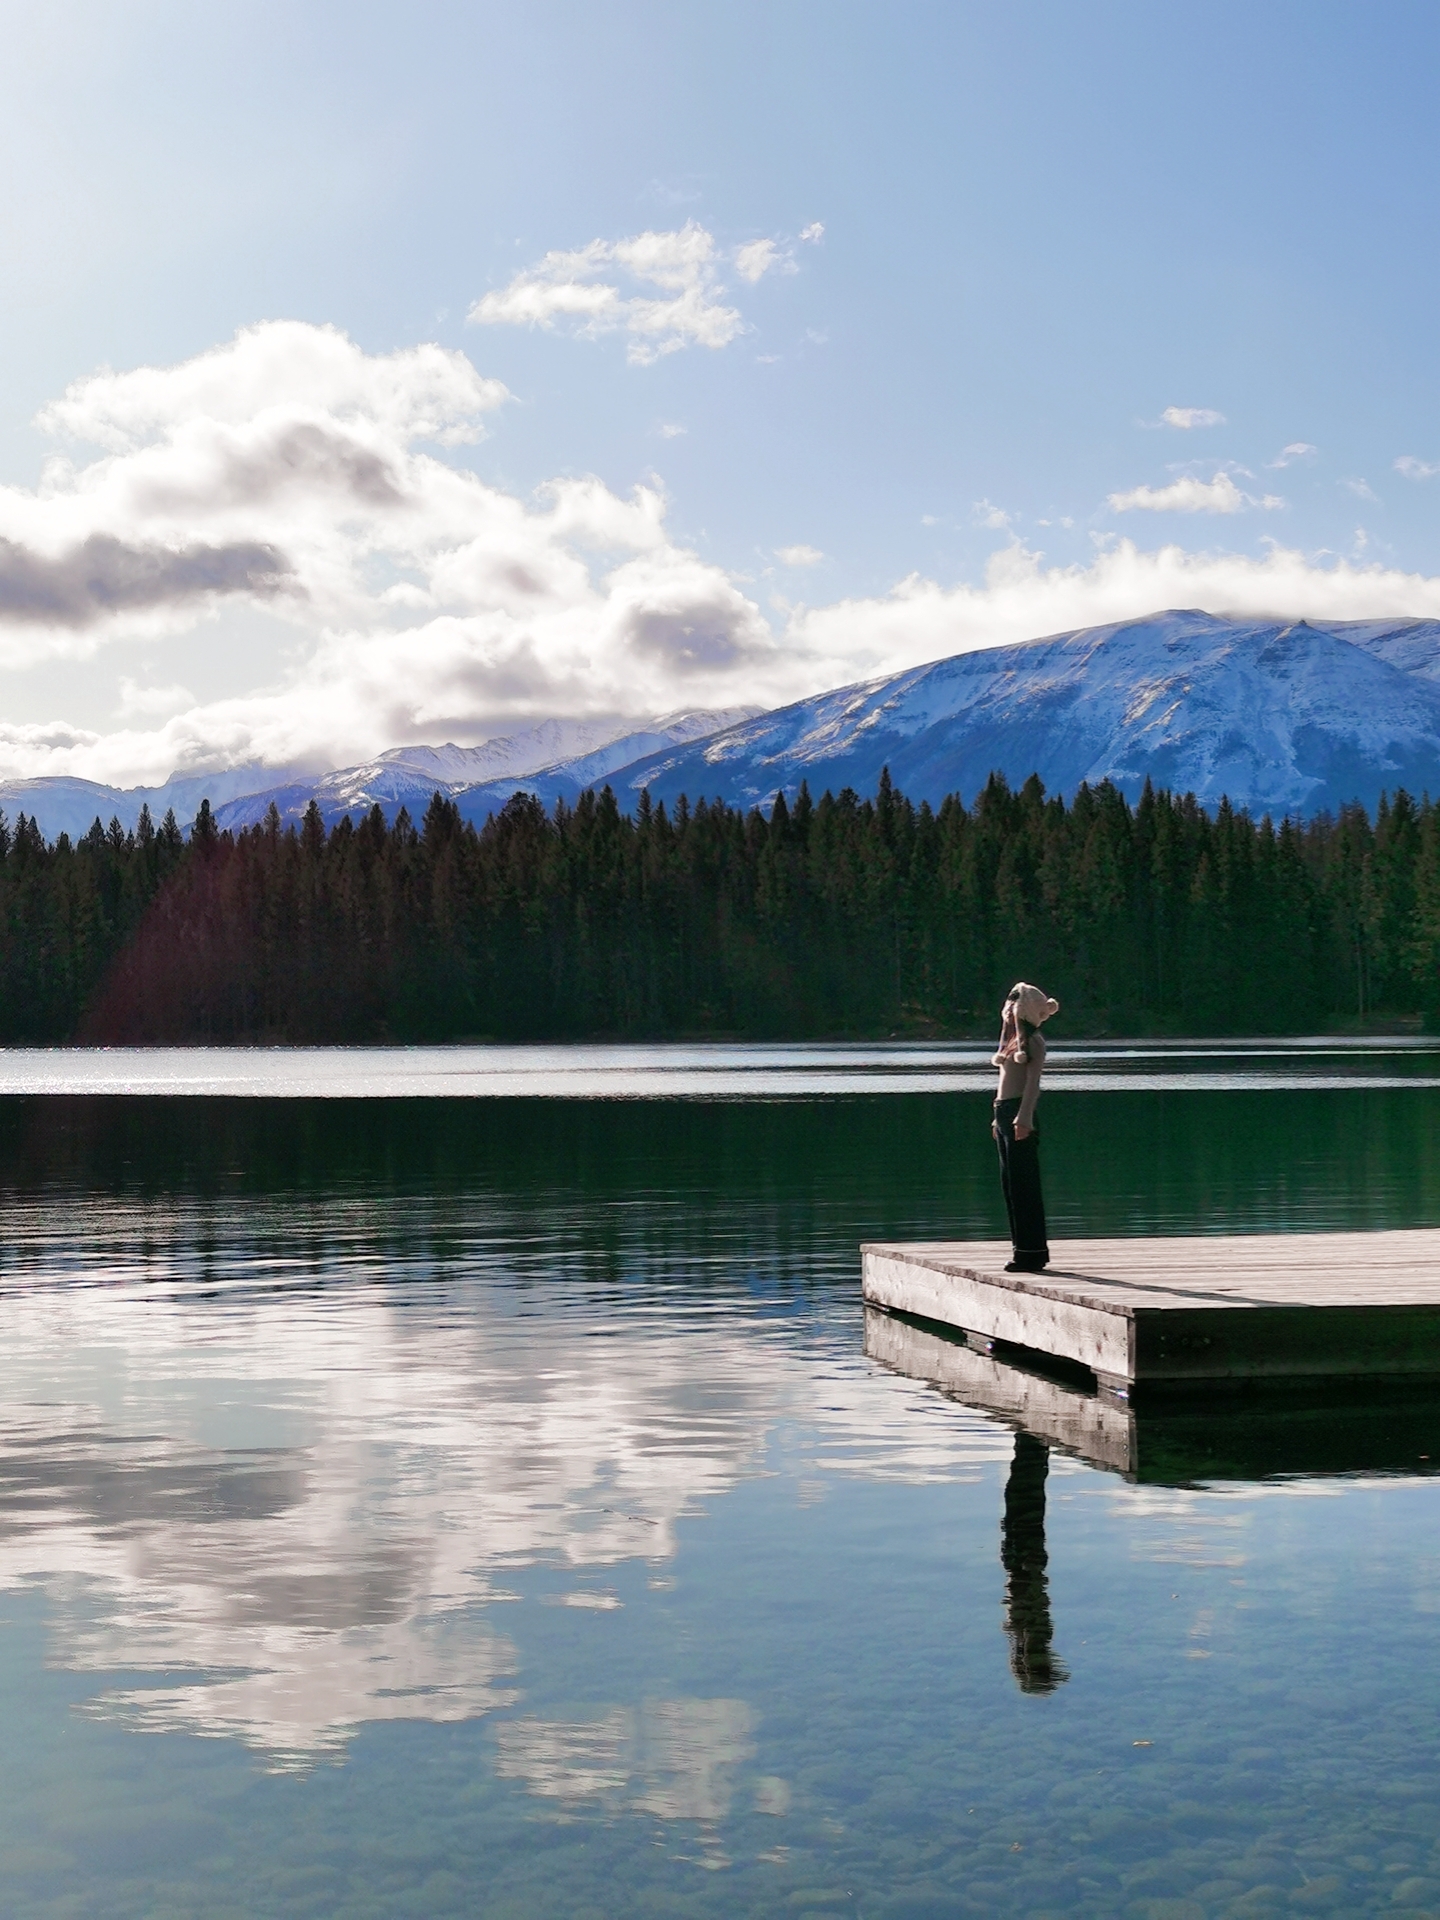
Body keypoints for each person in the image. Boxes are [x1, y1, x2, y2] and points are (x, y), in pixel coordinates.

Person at [991, 981, 1059, 1273]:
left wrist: (1024, 1117)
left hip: (1020, 1114)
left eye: (1011, 1008)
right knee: (1011, 1186)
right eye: (1005, 1007)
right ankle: (1021, 1248)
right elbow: (1004, 1085)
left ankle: (1032, 1253)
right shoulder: (1010, 1042)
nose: (1006, 1012)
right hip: (1004, 1112)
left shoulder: (1033, 1041)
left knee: (1025, 1187)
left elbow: (1033, 1085)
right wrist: (998, 1117)